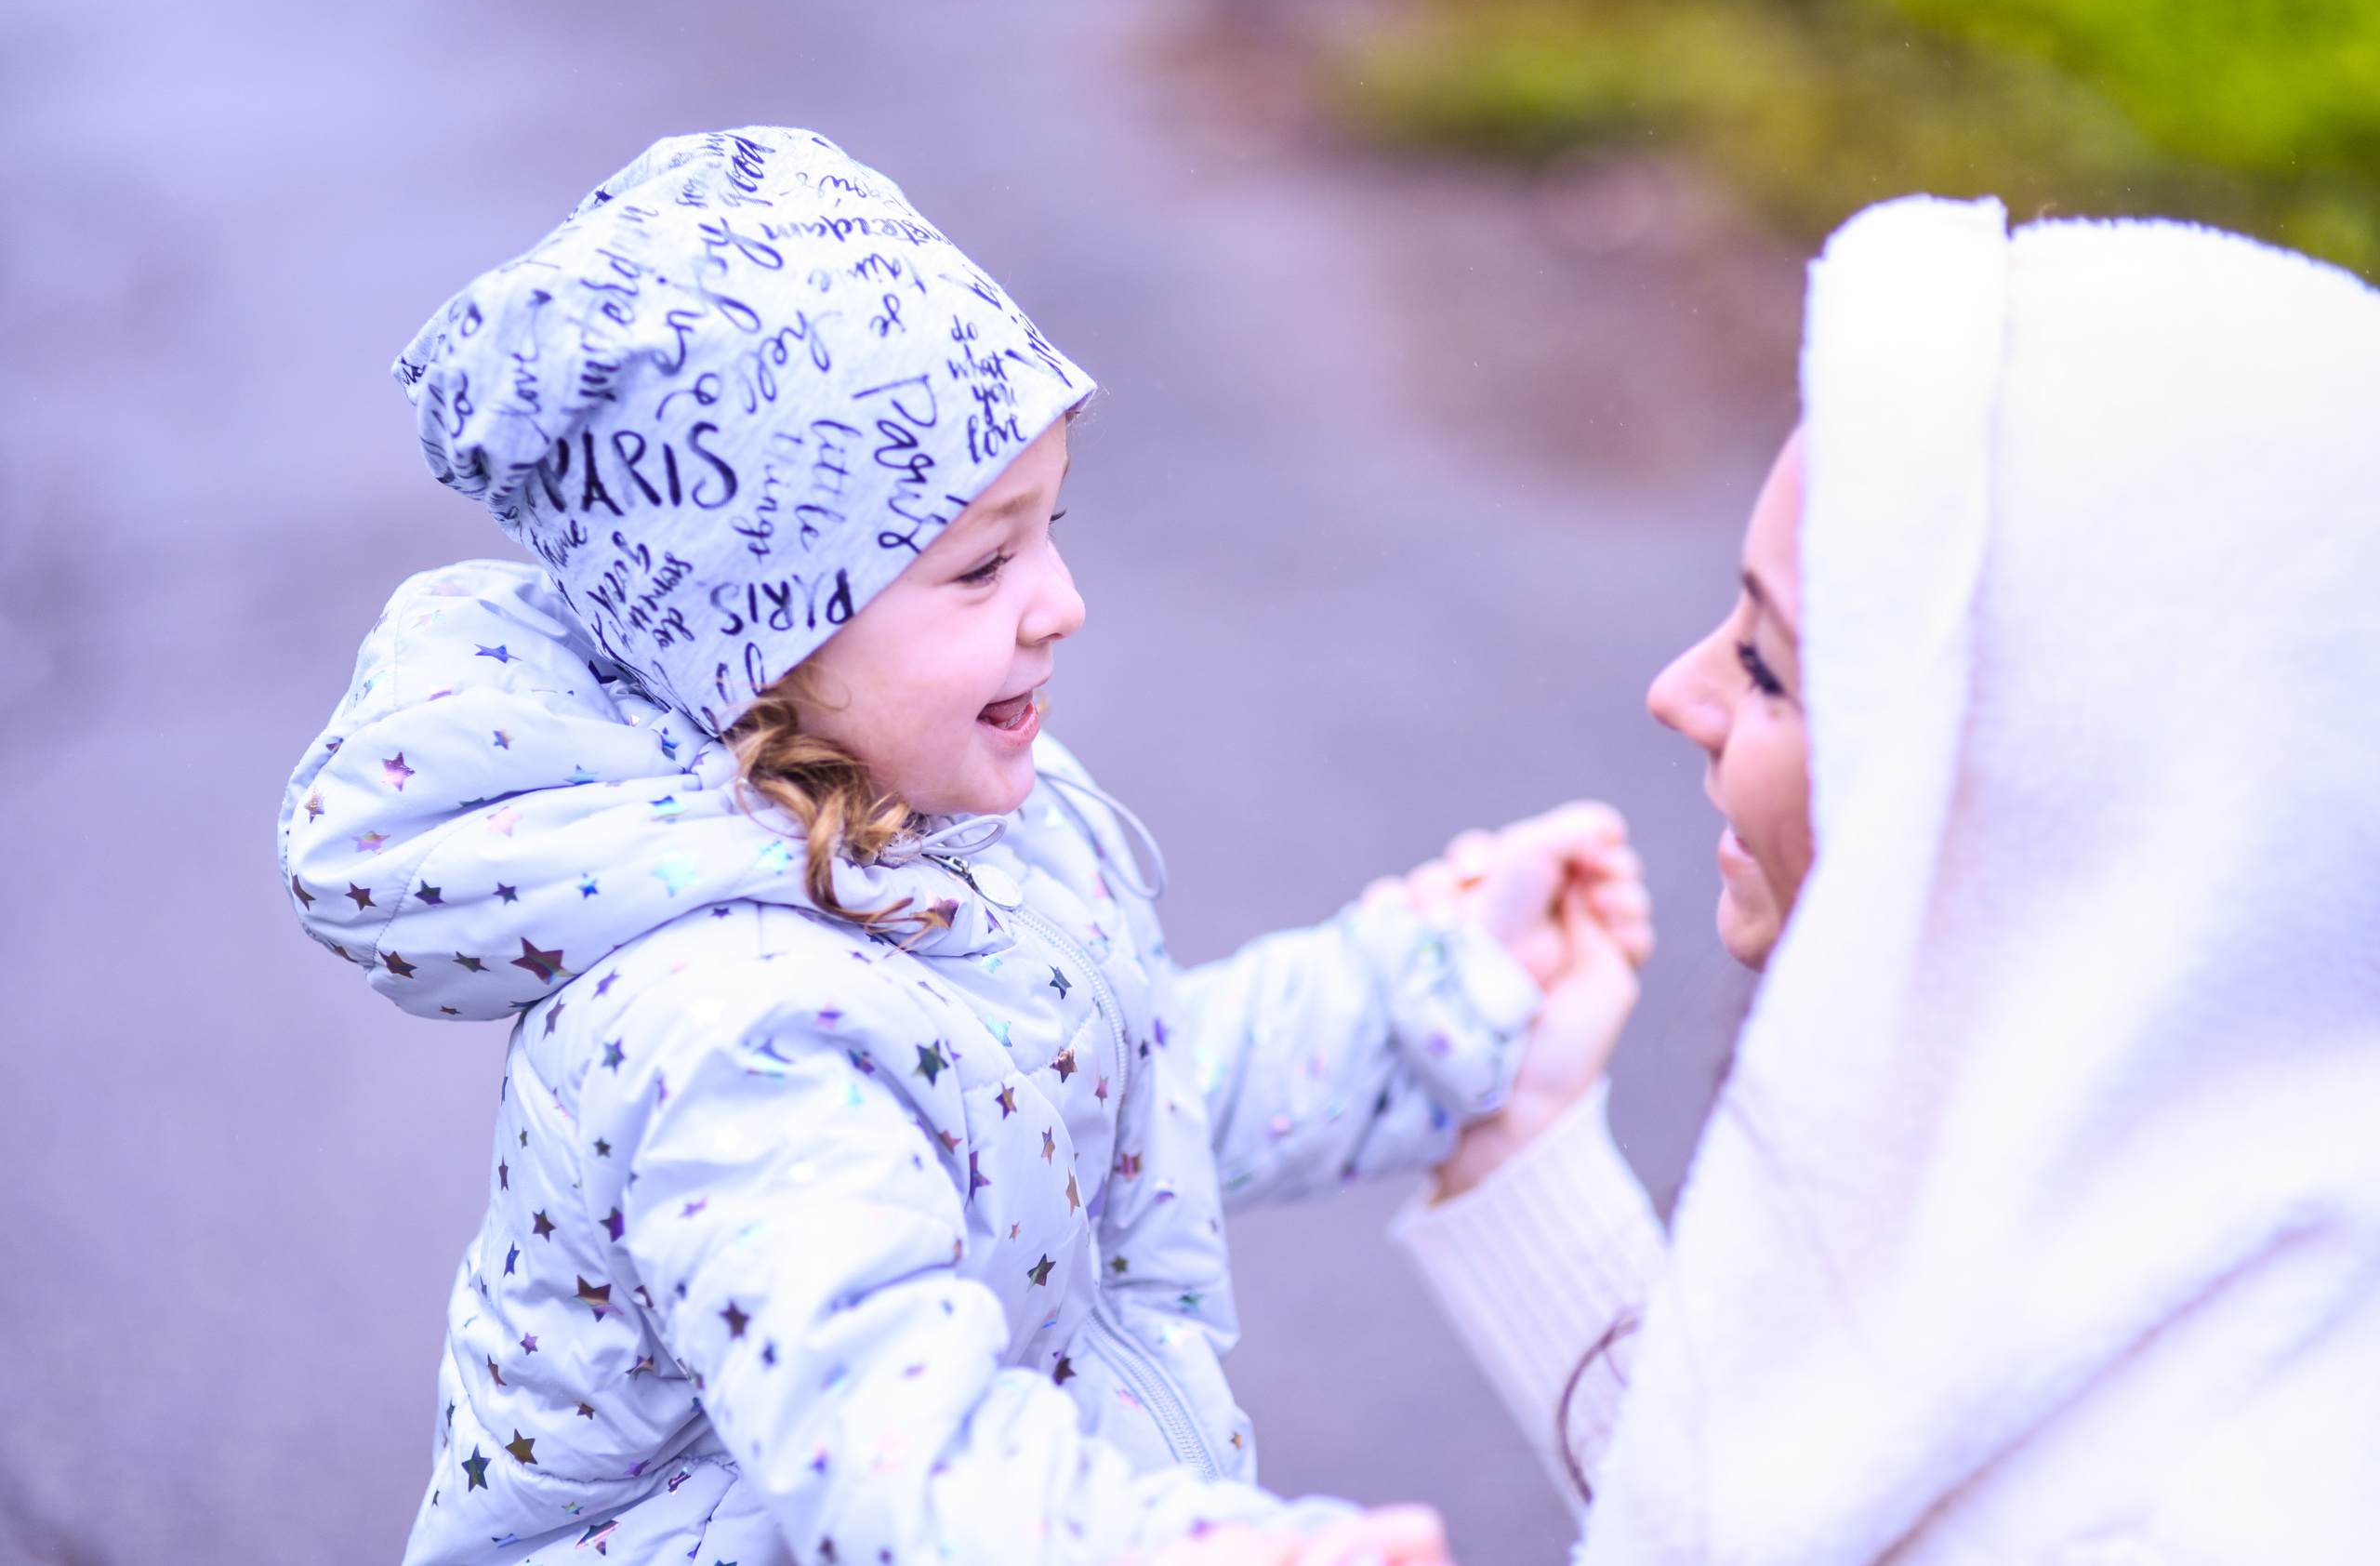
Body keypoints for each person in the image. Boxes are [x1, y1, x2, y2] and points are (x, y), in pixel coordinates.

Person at [277, 127, 1651, 1566]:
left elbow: (1080, 1111)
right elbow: (890, 1442)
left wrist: (1414, 1003)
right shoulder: (731, 1034)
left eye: (1049, 527)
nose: (1061, 600)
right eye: (984, 562)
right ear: (764, 633)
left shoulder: (913, 828)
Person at [1393, 195, 2380, 1563]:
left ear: (2054, 787)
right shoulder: (2176, 1243)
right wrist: (1523, 1138)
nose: (1678, 689)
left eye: (1770, 665)